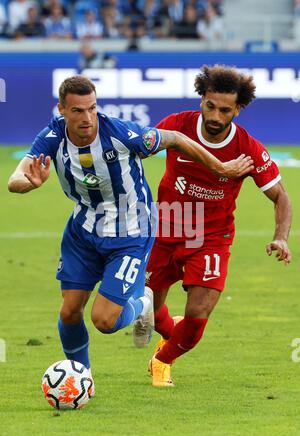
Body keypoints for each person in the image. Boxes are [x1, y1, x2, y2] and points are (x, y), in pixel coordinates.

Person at [7, 75, 253, 392]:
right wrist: (30, 183)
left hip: (130, 231)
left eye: (92, 108)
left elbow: (176, 139)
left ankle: (144, 305)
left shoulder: (123, 134)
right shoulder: (53, 135)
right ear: (62, 110)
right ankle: (82, 381)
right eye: (78, 111)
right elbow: (16, 177)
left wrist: (220, 168)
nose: (87, 118)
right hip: (83, 232)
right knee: (69, 312)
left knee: (104, 321)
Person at [132, 64, 292, 388]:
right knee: (147, 309)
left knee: (199, 312)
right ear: (202, 98)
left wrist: (281, 238)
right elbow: (135, 151)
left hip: (211, 238)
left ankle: (162, 360)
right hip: (166, 229)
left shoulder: (248, 148)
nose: (216, 117)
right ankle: (164, 327)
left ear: (238, 109)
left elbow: (281, 196)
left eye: (225, 110)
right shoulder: (176, 126)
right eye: (210, 106)